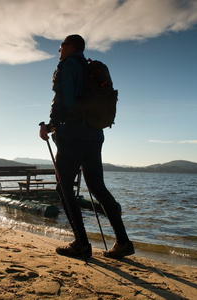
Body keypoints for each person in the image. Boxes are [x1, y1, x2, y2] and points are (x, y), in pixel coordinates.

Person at [39, 34, 134, 259]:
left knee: (63, 188)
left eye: (60, 46)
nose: (59, 50)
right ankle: (123, 242)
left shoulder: (68, 65)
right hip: (94, 135)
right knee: (97, 187)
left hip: (72, 135)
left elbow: (64, 99)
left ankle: (81, 244)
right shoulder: (91, 68)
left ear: (71, 46)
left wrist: (50, 126)